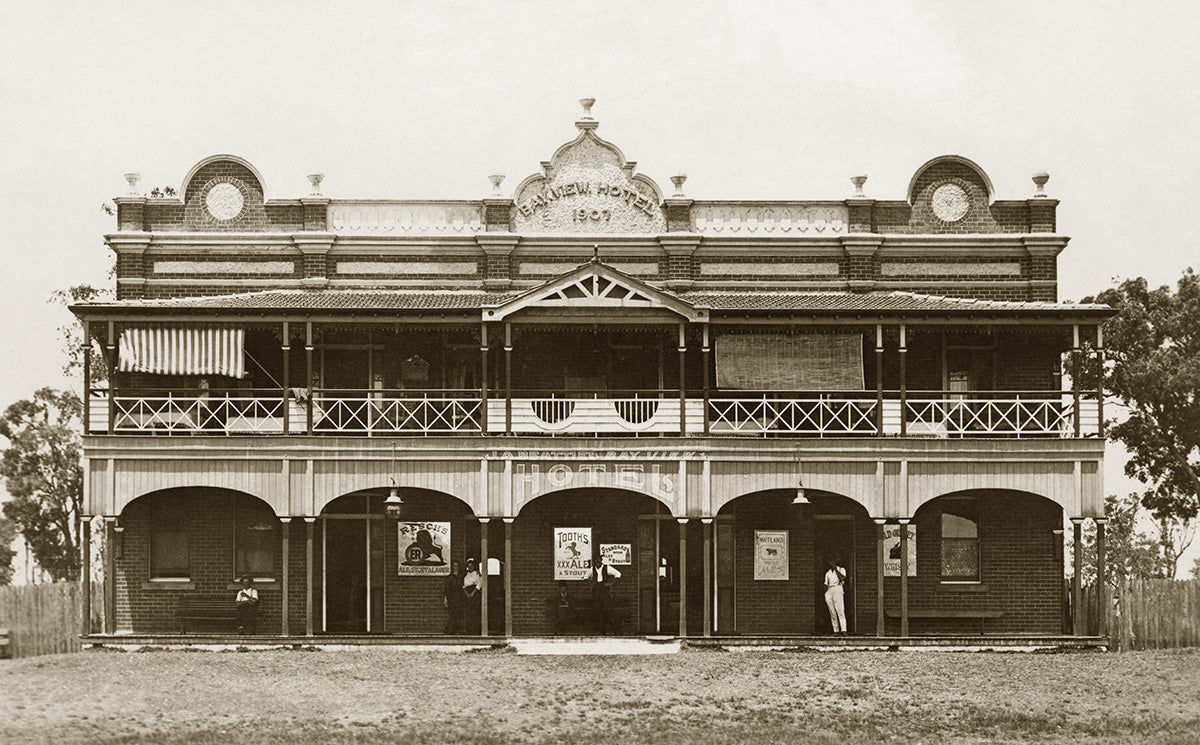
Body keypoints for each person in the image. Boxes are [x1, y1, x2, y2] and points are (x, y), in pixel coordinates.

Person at [591, 553, 622, 635]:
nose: (598, 562)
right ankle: (602, 631)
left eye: (599, 561)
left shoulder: (607, 568)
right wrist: (591, 584)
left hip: (604, 592)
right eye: (596, 561)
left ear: (601, 561)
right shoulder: (592, 570)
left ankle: (615, 631)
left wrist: (610, 583)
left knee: (608, 611)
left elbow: (618, 574)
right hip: (596, 592)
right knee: (598, 612)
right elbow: (585, 577)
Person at [823, 558, 848, 636]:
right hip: (830, 590)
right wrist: (826, 592)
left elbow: (843, 578)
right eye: (830, 562)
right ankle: (836, 630)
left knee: (840, 610)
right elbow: (826, 584)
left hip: (838, 588)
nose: (831, 563)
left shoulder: (841, 569)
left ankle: (843, 629)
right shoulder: (828, 573)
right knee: (832, 612)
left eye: (833, 561)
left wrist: (836, 569)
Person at [462, 558, 483, 634]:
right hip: (466, 592)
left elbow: (479, 585)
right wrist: (466, 593)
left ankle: (476, 630)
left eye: (471, 566)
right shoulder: (465, 574)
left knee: (475, 611)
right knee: (468, 612)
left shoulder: (477, 573)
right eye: (468, 566)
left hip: (474, 592)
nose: (470, 567)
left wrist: (472, 593)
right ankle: (469, 630)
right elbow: (463, 585)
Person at [443, 560, 464, 634]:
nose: (456, 567)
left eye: (457, 566)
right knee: (452, 614)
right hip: (452, 598)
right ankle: (449, 630)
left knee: (458, 614)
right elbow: (447, 588)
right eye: (454, 566)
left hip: (459, 597)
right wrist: (445, 599)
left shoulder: (461, 576)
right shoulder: (450, 577)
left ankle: (455, 630)